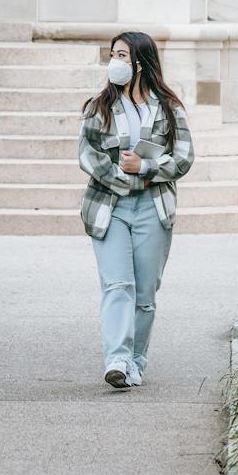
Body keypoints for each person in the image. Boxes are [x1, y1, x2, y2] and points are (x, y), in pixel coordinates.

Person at [77, 31, 194, 389]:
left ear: (140, 63)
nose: (115, 61)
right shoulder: (99, 107)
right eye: (113, 54)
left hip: (153, 207)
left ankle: (135, 361)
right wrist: (119, 176)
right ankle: (116, 359)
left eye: (123, 55)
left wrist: (143, 169)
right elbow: (88, 154)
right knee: (117, 284)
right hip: (109, 206)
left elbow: (184, 158)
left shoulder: (169, 109)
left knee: (144, 293)